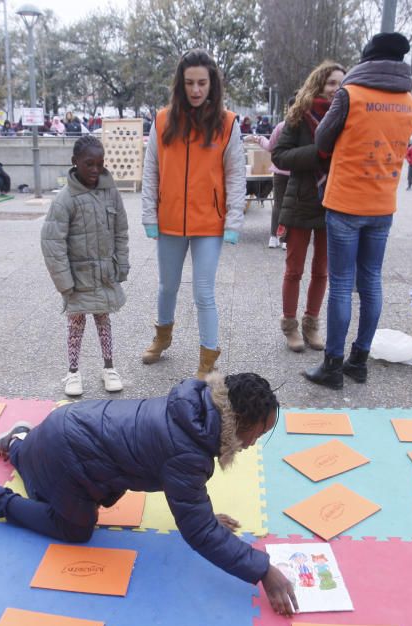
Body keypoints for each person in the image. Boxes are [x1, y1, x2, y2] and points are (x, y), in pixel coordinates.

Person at [0, 371, 298, 617]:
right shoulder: (187, 453)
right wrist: (263, 570)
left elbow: (190, 498)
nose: (255, 443)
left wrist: (207, 517)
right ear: (237, 420)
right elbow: (196, 531)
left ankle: (19, 441)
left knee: (45, 465)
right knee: (75, 529)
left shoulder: (194, 409)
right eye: (258, 432)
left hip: (67, 424)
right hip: (68, 451)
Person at [306, 32, 412, 389]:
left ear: (367, 60)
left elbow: (322, 140)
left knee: (341, 284)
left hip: (345, 202)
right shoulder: (411, 104)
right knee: (371, 282)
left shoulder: (350, 95)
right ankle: (360, 360)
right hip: (382, 205)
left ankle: (332, 365)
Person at [141, 49, 246, 379]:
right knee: (167, 286)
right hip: (170, 220)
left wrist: (233, 220)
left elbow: (235, 175)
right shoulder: (162, 120)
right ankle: (162, 336)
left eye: (202, 83)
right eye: (190, 83)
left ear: (212, 83)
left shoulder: (227, 124)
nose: (196, 90)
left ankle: (207, 357)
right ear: (180, 84)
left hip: (208, 225)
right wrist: (149, 215)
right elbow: (150, 171)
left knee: (204, 292)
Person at [41, 135, 129, 396]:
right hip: (78, 280)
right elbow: (52, 243)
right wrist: (65, 283)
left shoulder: (110, 192)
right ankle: (72, 372)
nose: (94, 170)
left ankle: (109, 367)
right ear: (74, 162)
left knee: (104, 321)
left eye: (99, 164)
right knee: (75, 326)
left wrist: (121, 265)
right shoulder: (65, 199)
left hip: (104, 275)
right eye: (88, 164)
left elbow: (121, 231)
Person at [272, 61, 346, 353]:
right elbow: (280, 156)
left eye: (341, 84)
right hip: (302, 200)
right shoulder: (299, 116)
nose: (335, 89)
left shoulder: (348, 117)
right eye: (331, 83)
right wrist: (319, 153)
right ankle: (289, 325)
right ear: (318, 84)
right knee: (294, 270)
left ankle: (311, 324)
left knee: (322, 271)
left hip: (335, 202)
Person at [245, 105, 291, 249]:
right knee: (291, 206)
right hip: (297, 173)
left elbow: (270, 147)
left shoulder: (281, 126)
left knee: (277, 204)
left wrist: (258, 139)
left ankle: (273, 237)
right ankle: (285, 239)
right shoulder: (306, 127)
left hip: (279, 171)